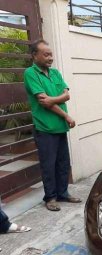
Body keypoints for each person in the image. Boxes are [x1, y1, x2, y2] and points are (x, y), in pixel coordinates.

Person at [24, 40, 81, 211]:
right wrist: (66, 114)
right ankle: (50, 197)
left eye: (51, 54)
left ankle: (63, 193)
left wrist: (54, 99)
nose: (50, 58)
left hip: (60, 127)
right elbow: (43, 102)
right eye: (46, 54)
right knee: (48, 165)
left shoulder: (55, 73)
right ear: (35, 55)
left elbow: (66, 95)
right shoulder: (30, 73)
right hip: (45, 128)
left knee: (63, 163)